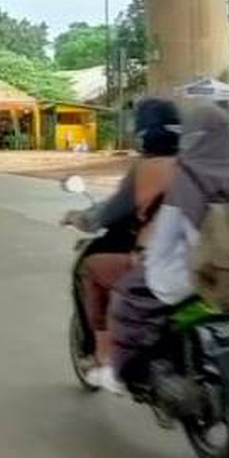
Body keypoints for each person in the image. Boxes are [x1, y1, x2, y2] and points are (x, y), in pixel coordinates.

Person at [106, 102, 229, 395]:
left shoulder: (186, 178)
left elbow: (165, 236)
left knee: (126, 296)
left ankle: (121, 373)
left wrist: (148, 258)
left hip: (192, 277)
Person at [59, 98, 182, 389]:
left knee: (89, 268)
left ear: (144, 133)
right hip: (211, 259)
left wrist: (80, 218)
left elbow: (111, 212)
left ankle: (105, 358)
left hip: (160, 262)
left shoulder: (146, 169)